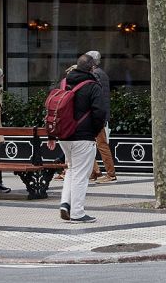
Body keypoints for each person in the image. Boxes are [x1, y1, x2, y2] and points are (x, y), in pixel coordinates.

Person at [58, 53, 106, 223]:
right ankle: (77, 213)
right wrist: (95, 131)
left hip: (63, 136)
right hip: (83, 137)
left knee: (71, 169)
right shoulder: (92, 86)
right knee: (81, 175)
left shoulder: (64, 83)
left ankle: (65, 203)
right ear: (92, 68)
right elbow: (100, 112)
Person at [85, 50, 117, 183]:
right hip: (99, 115)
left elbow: (94, 96)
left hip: (96, 116)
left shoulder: (95, 74)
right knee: (89, 144)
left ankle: (110, 174)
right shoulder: (101, 73)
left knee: (101, 144)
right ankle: (95, 171)